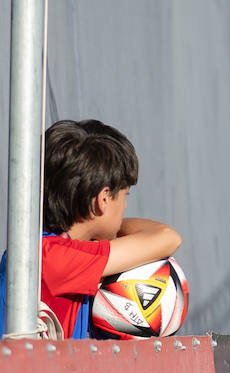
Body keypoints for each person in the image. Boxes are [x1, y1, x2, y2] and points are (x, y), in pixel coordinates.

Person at [0, 119, 181, 339]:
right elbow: (167, 238)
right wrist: (111, 231)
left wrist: (100, 231)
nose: (124, 206)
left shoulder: (45, 249)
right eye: (124, 196)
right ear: (103, 199)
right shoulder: (55, 259)